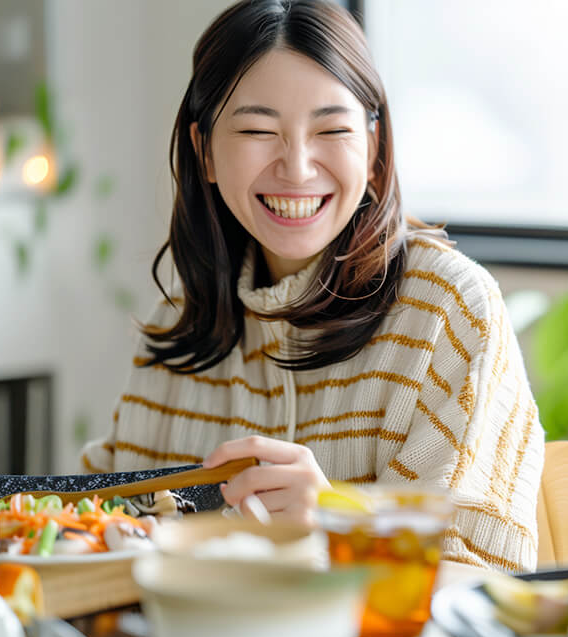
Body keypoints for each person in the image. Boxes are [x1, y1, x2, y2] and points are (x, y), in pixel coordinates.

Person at [80, 0, 543, 573]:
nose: (297, 168)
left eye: (332, 129)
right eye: (257, 130)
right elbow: (95, 530)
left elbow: (483, 581)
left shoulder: (450, 312)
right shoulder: (176, 322)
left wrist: (335, 518)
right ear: (205, 153)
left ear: (373, 149)